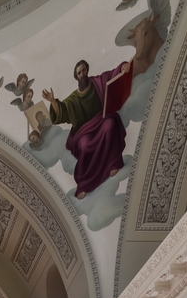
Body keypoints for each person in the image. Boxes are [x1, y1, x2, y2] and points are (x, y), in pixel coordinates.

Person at [42, 57, 132, 198]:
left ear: (87, 70)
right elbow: (62, 110)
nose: (82, 74)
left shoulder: (97, 82)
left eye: (84, 70)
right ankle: (84, 183)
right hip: (84, 130)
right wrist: (53, 101)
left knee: (110, 124)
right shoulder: (74, 98)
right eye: (79, 72)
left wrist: (122, 67)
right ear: (76, 77)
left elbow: (111, 75)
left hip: (100, 120)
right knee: (84, 144)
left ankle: (113, 163)